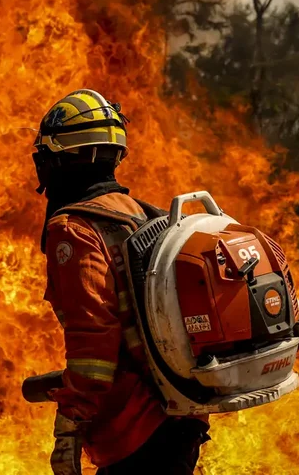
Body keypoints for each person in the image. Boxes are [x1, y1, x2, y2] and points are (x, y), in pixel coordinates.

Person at [32, 89, 211, 475]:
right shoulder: (144, 214)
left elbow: (93, 340)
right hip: (182, 414)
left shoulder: (74, 230)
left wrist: (69, 429)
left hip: (135, 430)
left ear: (60, 159)